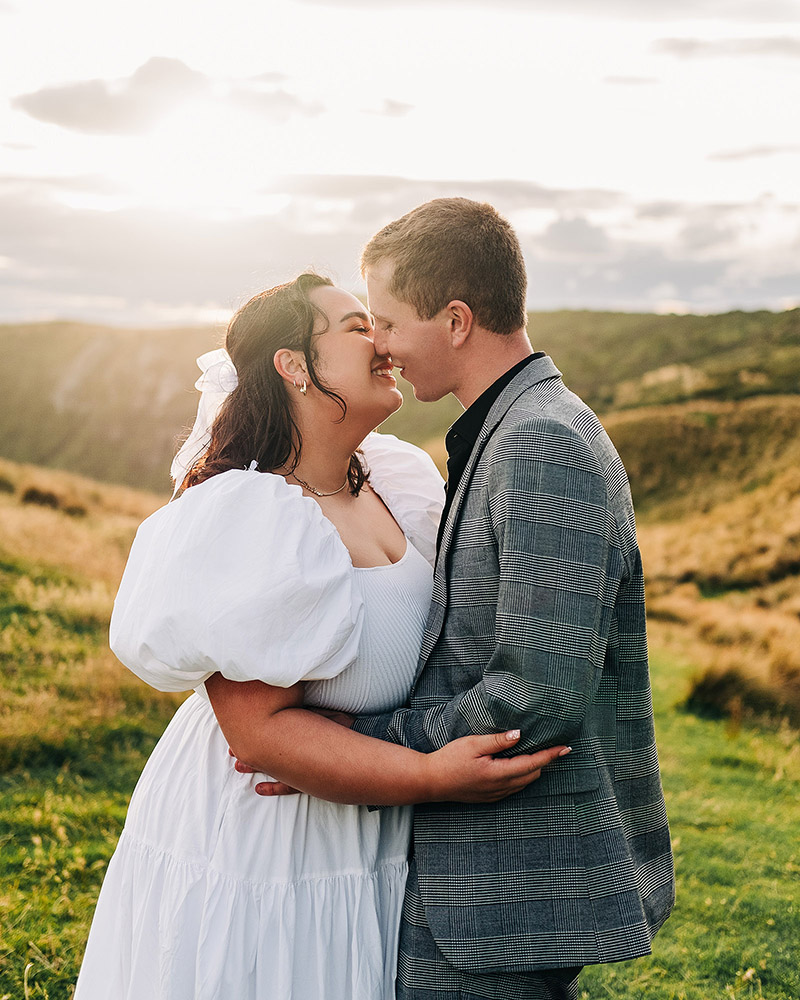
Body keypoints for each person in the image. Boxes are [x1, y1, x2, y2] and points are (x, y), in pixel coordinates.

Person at [73, 273, 569, 1000]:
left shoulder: (395, 483)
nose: (383, 342)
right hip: (266, 842)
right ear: (295, 366)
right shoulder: (253, 513)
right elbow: (260, 738)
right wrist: (434, 777)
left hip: (361, 826)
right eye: (355, 325)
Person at [255, 200, 676, 998]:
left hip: (508, 881)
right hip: (487, 875)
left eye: (386, 321)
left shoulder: (540, 438)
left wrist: (363, 741)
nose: (377, 343)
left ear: (455, 320)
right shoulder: (509, 426)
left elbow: (539, 691)